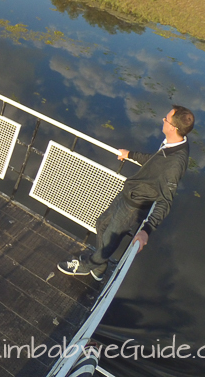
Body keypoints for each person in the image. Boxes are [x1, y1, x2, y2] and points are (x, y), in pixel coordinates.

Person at [58, 106, 194, 281]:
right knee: (101, 224)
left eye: (166, 119)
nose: (163, 120)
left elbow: (166, 199)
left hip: (134, 206)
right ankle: (100, 267)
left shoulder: (176, 162)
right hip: (128, 193)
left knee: (109, 241)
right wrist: (130, 154)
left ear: (174, 128)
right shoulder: (173, 143)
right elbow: (154, 162)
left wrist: (147, 229)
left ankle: (86, 265)